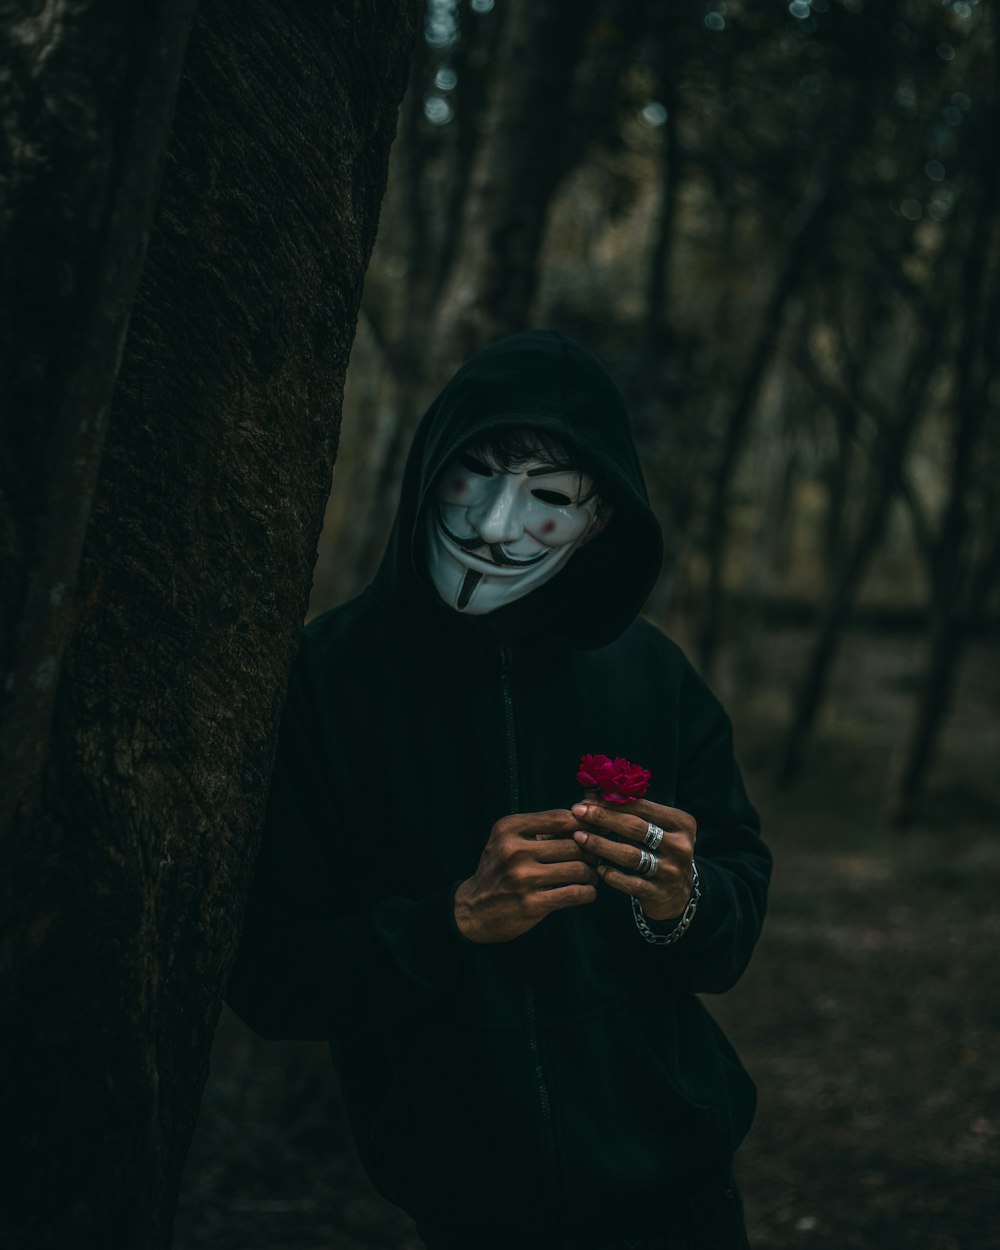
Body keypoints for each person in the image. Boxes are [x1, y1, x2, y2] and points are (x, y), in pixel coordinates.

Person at [227, 330, 772, 1250]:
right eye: (474, 474)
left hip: (680, 1198)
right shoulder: (324, 682)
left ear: (601, 520)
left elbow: (731, 916)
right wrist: (451, 921)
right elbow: (273, 978)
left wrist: (683, 902)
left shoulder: (654, 677)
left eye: (551, 497)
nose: (492, 524)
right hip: (468, 1214)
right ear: (429, 466)